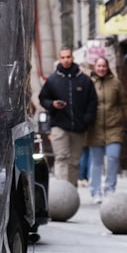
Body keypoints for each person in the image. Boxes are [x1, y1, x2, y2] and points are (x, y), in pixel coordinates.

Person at [85, 57, 127, 203]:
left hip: (114, 127)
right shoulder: (89, 83)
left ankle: (109, 189)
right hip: (95, 128)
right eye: (99, 66)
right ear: (94, 67)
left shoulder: (116, 83)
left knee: (113, 157)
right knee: (96, 161)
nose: (101, 68)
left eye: (103, 66)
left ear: (107, 67)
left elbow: (125, 103)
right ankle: (95, 192)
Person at [38, 48, 97, 185]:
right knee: (61, 158)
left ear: (73, 58)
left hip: (79, 126)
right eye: (63, 57)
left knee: (75, 162)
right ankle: (62, 191)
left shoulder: (84, 80)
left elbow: (92, 102)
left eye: (68, 57)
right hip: (59, 125)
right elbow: (43, 98)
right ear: (60, 59)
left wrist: (87, 119)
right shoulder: (53, 80)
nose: (66, 60)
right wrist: (52, 104)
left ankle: (71, 192)